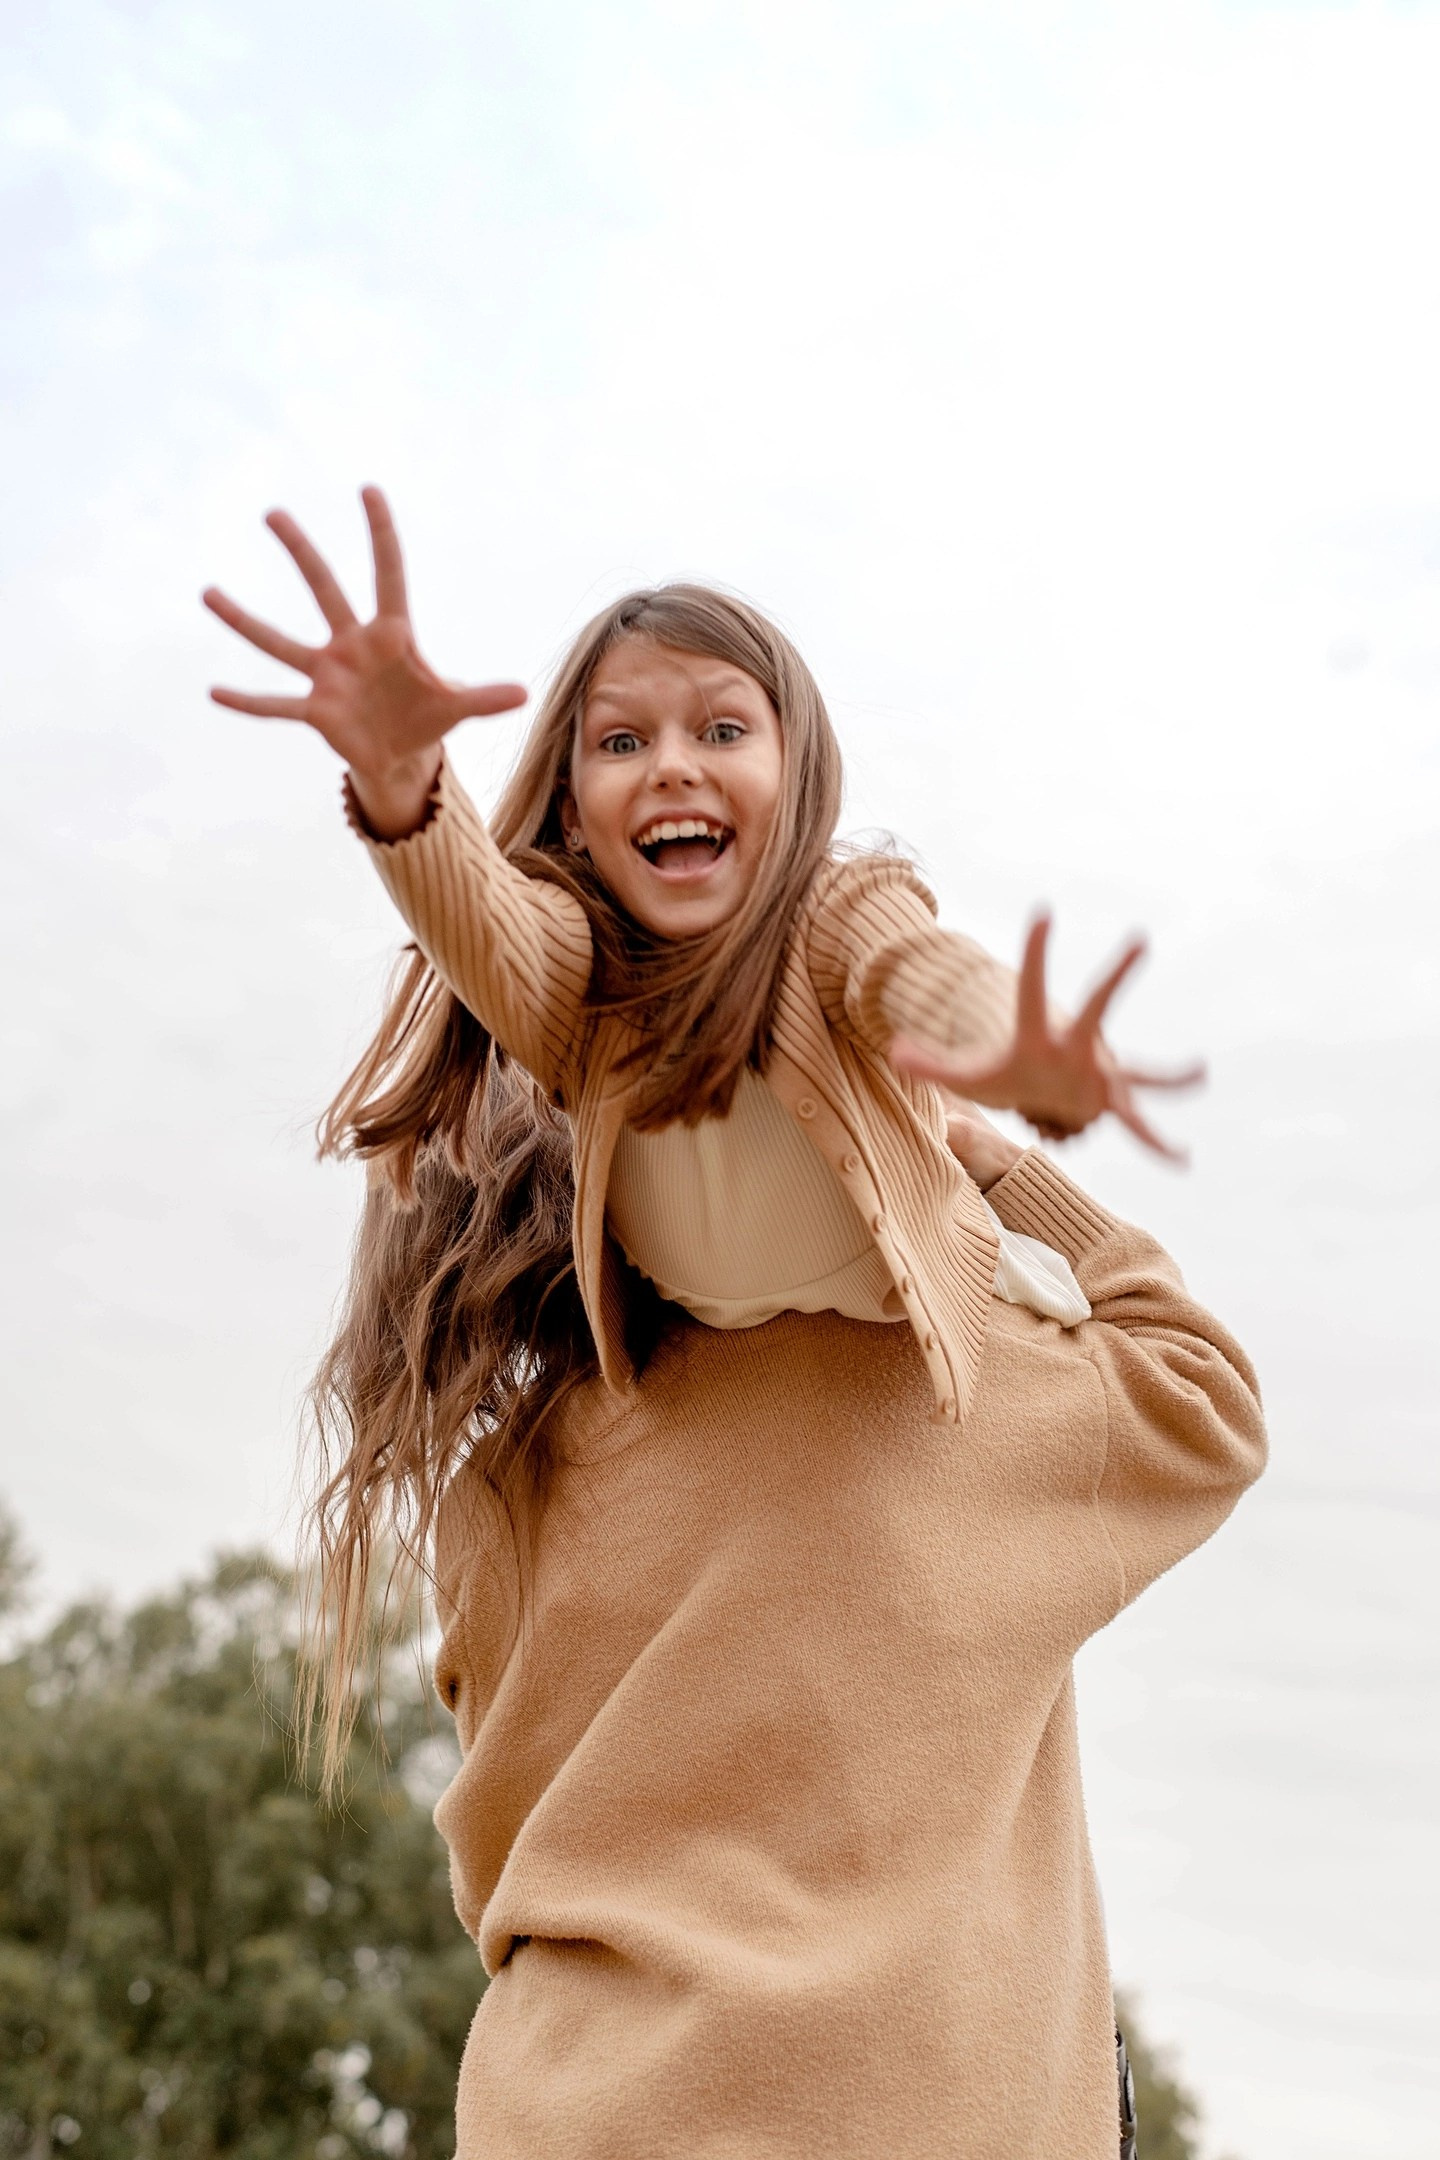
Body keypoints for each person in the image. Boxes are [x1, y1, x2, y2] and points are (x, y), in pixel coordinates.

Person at [204, 489, 1266, 2160]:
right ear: (571, 800)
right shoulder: (982, 1415)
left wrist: (408, 798)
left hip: (582, 2111)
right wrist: (997, 1157)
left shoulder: (506, 1497)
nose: (673, 767)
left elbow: (915, 979)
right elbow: (1207, 1399)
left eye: (719, 728)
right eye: (621, 741)